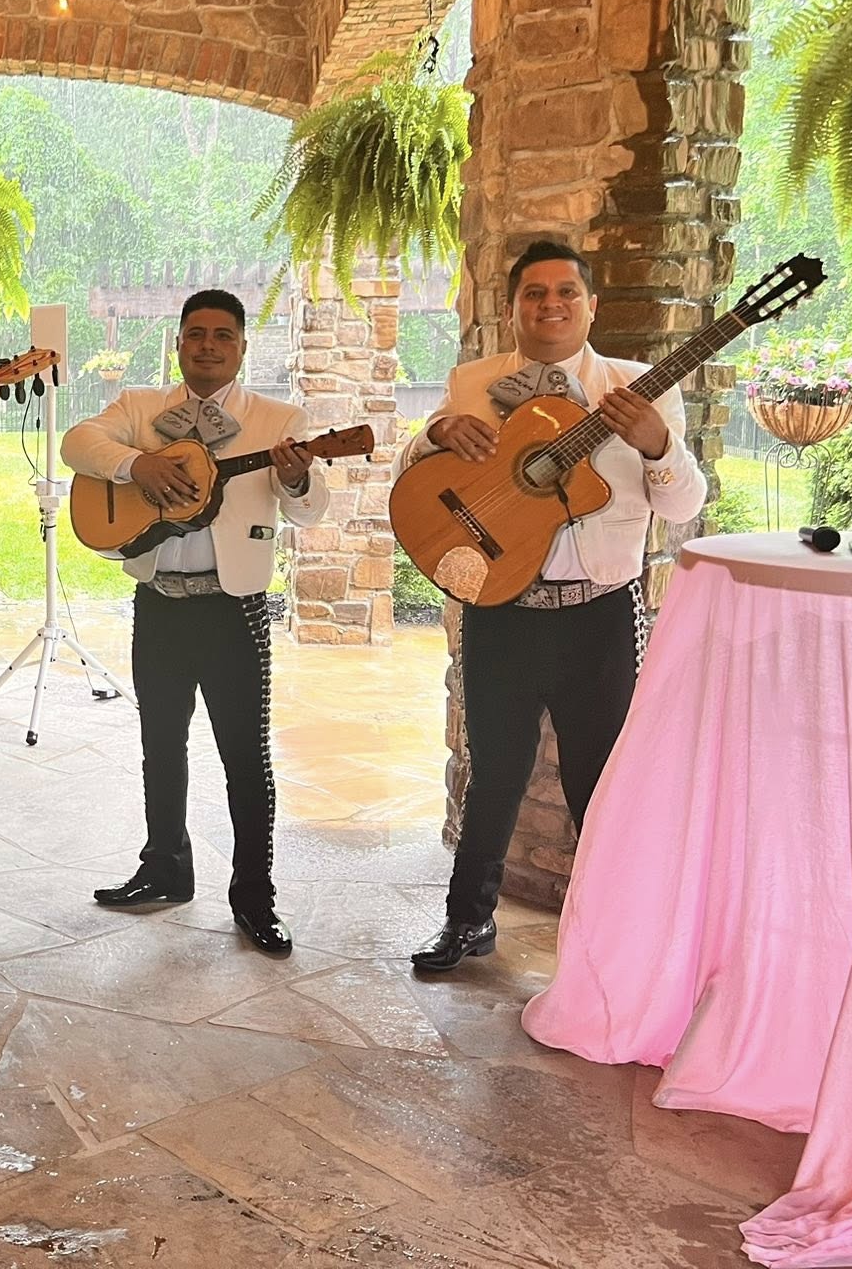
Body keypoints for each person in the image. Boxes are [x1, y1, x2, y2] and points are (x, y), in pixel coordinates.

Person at [399, 238, 706, 973]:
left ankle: (611, 939)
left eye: (566, 292)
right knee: (494, 770)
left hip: (597, 613)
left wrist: (657, 444)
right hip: (500, 609)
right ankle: (467, 921)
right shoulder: (474, 378)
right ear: (512, 310)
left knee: (597, 781)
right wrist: (436, 432)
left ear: (591, 305)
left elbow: (688, 504)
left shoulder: (638, 387)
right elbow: (422, 459)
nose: (550, 305)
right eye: (534, 293)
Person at [62, 289, 328, 955]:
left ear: (241, 346)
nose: (208, 345)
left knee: (246, 759)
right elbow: (75, 442)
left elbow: (312, 509)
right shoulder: (142, 410)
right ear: (179, 343)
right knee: (162, 747)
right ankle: (165, 869)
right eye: (196, 334)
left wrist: (295, 480)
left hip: (233, 607)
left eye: (223, 335)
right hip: (159, 603)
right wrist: (137, 464)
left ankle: (254, 897)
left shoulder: (278, 419)